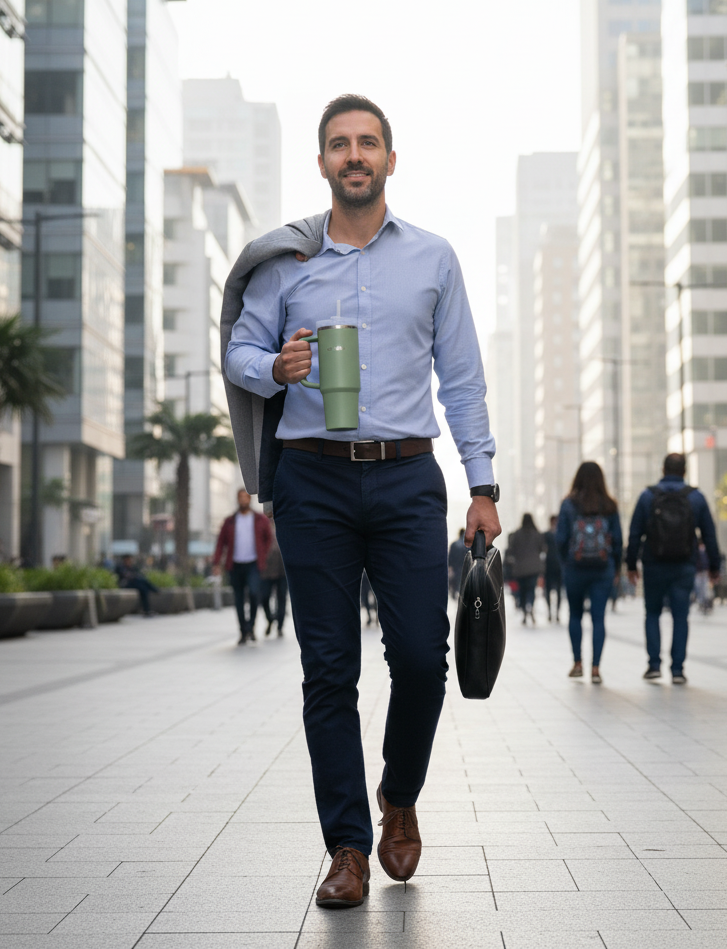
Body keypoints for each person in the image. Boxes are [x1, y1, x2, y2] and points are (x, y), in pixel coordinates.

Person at [223, 94, 500, 907]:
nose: (355, 155)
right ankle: (346, 846)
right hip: (312, 479)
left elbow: (464, 381)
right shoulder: (286, 263)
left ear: (389, 158)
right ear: (321, 163)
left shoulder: (435, 258)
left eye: (368, 143)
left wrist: (482, 486)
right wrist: (274, 368)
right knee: (329, 667)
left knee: (421, 658)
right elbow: (240, 345)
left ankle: (399, 795)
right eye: (340, 144)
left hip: (411, 476)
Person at [626, 453, 720, 685]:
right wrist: (714, 566)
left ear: (663, 469)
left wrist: (630, 564)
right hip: (684, 565)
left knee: (653, 614)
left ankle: (654, 665)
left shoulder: (648, 496)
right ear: (684, 471)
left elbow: (635, 532)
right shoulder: (696, 498)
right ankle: (677, 669)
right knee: (681, 616)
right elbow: (709, 534)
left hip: (653, 564)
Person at [556, 462, 622, 683]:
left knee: (575, 615)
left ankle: (577, 663)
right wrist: (617, 566)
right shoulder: (610, 505)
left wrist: (567, 561)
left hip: (575, 568)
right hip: (603, 569)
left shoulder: (568, 504)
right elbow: (619, 540)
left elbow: (561, 540)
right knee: (598, 618)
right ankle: (595, 669)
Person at [212, 488, 272, 645]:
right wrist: (216, 563)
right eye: (240, 497)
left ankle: (251, 627)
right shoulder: (230, 521)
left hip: (253, 564)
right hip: (235, 564)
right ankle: (243, 630)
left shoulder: (260, 519)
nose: (243, 500)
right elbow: (221, 544)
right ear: (237, 500)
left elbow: (268, 539)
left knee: (253, 594)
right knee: (238, 598)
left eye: (245, 497)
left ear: (249, 500)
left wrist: (263, 555)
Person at [507, 514, 546, 625]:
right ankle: (531, 608)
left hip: (520, 568)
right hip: (533, 568)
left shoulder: (517, 534)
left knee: (522, 591)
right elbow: (542, 548)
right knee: (531, 590)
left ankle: (524, 611)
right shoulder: (537, 534)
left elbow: (511, 549)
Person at [260, 519, 288, 637]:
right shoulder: (262, 526)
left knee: (281, 599)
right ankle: (270, 619)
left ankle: (280, 626)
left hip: (283, 571)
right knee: (264, 597)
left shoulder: (285, 524)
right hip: (266, 571)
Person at [544, 515, 563, 622]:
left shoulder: (560, 535)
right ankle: (550, 612)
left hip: (558, 566)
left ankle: (557, 612)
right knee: (548, 591)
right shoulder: (546, 535)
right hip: (550, 566)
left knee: (559, 591)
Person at [447, 528, 466, 600]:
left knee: (455, 581)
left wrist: (450, 566)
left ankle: (455, 594)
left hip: (455, 566)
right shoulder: (468, 545)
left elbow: (450, 556)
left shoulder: (454, 544)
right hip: (464, 566)